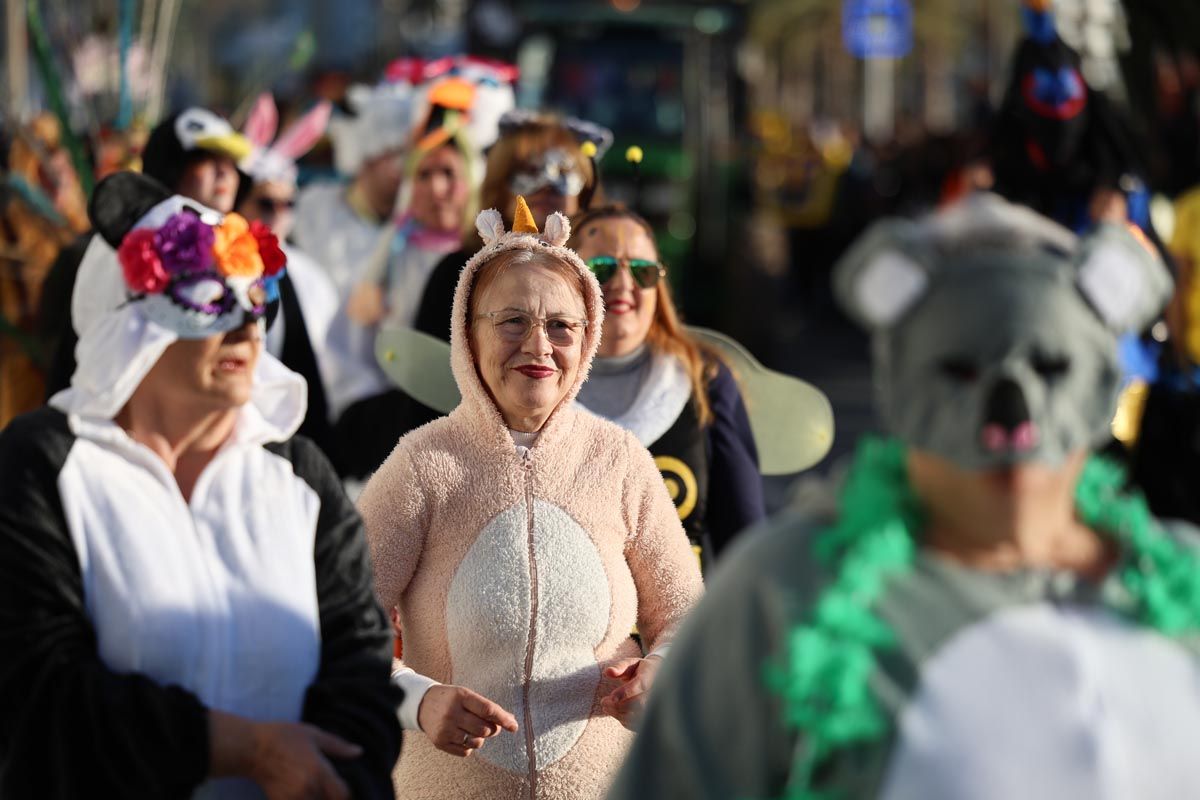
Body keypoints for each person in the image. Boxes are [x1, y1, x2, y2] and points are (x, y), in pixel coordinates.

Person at [609, 194, 1200, 799]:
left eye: (1049, 366)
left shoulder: (1183, 585)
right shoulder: (786, 594)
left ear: (1100, 378)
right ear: (901, 382)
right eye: (961, 372)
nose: (1010, 423)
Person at [0, 171, 401, 798]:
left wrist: (334, 774)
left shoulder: (297, 473)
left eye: (256, 295)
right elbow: (38, 686)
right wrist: (248, 750)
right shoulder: (46, 466)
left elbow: (360, 657)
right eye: (210, 295)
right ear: (128, 323)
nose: (247, 325)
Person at [357, 198, 702, 799]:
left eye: (561, 325)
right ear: (468, 333)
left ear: (587, 338)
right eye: (512, 321)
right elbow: (340, 624)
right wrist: (417, 701)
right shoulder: (421, 465)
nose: (538, 345)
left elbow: (686, 613)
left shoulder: (620, 461)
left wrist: (659, 675)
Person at [568, 204, 765, 570]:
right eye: (602, 268)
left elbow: (745, 542)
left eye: (643, 271)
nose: (624, 284)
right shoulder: (531, 383)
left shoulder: (703, 379)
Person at [41, 106, 255, 398]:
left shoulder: (243, 250)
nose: (225, 173)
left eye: (231, 162)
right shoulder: (116, 245)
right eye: (206, 158)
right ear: (171, 164)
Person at [411, 111, 610, 343]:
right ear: (500, 187)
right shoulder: (458, 274)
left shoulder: (605, 271)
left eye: (563, 172)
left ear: (584, 191)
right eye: (528, 172)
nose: (545, 187)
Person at [238, 93, 341, 466]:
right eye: (266, 203)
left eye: (288, 204)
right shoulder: (225, 272)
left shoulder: (310, 277)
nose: (279, 216)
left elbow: (332, 369)